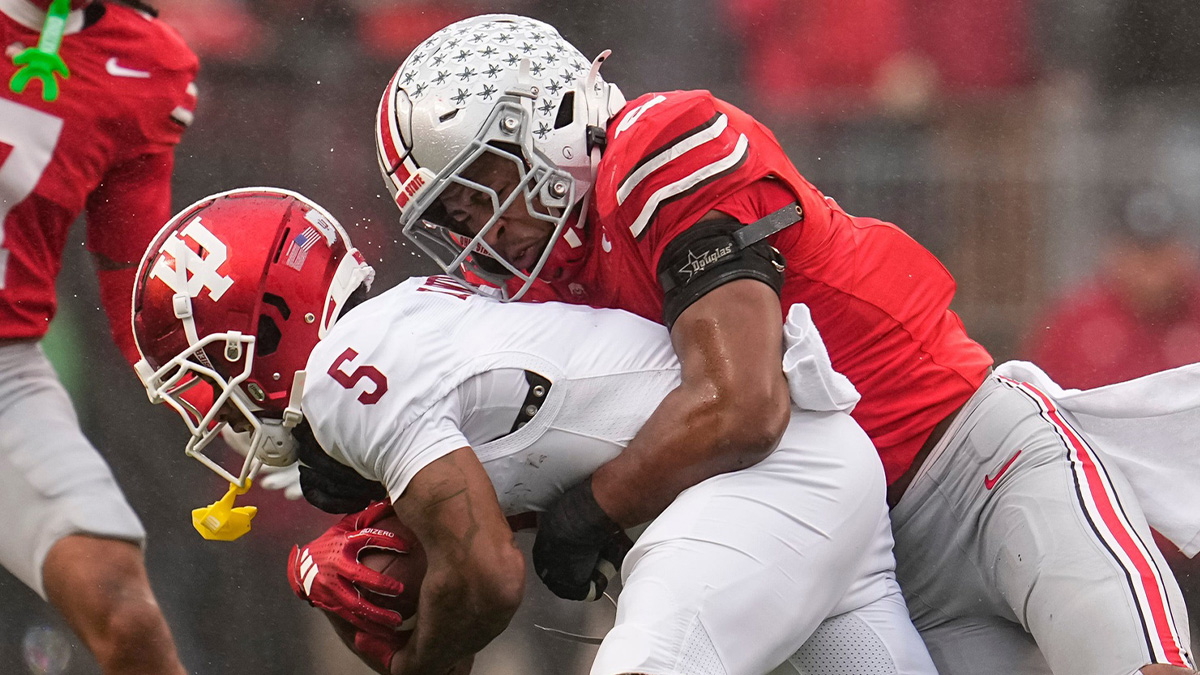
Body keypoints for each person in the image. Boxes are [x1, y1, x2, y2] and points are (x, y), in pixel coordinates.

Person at [361, 13, 1196, 675]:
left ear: (547, 120)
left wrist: (598, 505)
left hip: (983, 470)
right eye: (455, 221)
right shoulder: (549, 282)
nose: (480, 237)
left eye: (484, 191)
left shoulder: (656, 148)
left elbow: (743, 404)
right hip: (869, 564)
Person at [130, 187, 938, 675]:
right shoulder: (411, 321)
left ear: (265, 332)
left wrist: (421, 663)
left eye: (205, 374)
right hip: (813, 463)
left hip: (759, 482)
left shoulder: (348, 372)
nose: (214, 408)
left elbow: (486, 573)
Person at [0, 0, 195, 672]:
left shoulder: (143, 63)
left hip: (4, 375)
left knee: (125, 612)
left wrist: (228, 395)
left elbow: (135, 278)